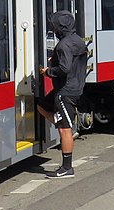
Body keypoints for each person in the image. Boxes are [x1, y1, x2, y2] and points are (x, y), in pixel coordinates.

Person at [37, 11, 89, 178]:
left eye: (54, 26)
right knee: (42, 105)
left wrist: (48, 71)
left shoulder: (63, 45)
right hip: (76, 87)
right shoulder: (78, 41)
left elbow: (65, 68)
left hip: (65, 91)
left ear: (60, 27)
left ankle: (67, 168)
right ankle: (64, 125)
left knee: (64, 130)